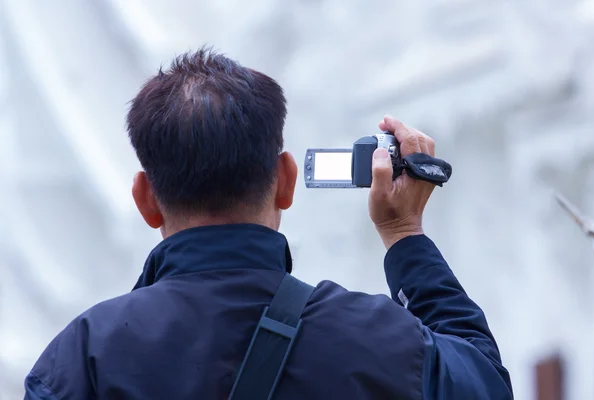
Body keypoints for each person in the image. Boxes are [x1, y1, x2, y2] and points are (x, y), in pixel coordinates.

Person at [24, 47, 513, 400]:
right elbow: (485, 383)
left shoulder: (83, 358)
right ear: (285, 181)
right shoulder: (382, 339)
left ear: (145, 199)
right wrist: (404, 235)